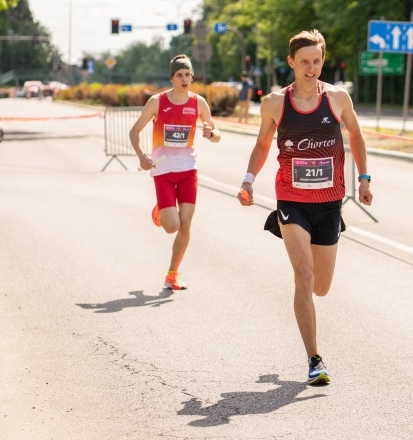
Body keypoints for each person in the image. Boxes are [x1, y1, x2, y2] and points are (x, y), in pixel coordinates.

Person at [237, 30, 373, 385]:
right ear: (292, 63)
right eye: (304, 62)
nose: (310, 68)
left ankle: (307, 308)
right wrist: (249, 179)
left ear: (322, 61)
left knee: (322, 287)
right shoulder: (275, 103)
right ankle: (315, 359)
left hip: (329, 203)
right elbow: (263, 144)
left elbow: (356, 136)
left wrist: (364, 178)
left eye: (316, 61)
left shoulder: (339, 99)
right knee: (305, 276)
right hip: (292, 201)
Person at [130, 54, 221, 290]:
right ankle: (162, 207)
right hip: (163, 171)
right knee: (172, 226)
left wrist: (211, 134)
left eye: (188, 74)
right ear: (172, 78)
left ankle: (172, 274)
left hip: (188, 169)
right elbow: (134, 131)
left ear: (192, 76)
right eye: (179, 75)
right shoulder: (157, 102)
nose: (184, 79)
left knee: (186, 224)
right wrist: (142, 156)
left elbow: (216, 132)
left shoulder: (198, 103)